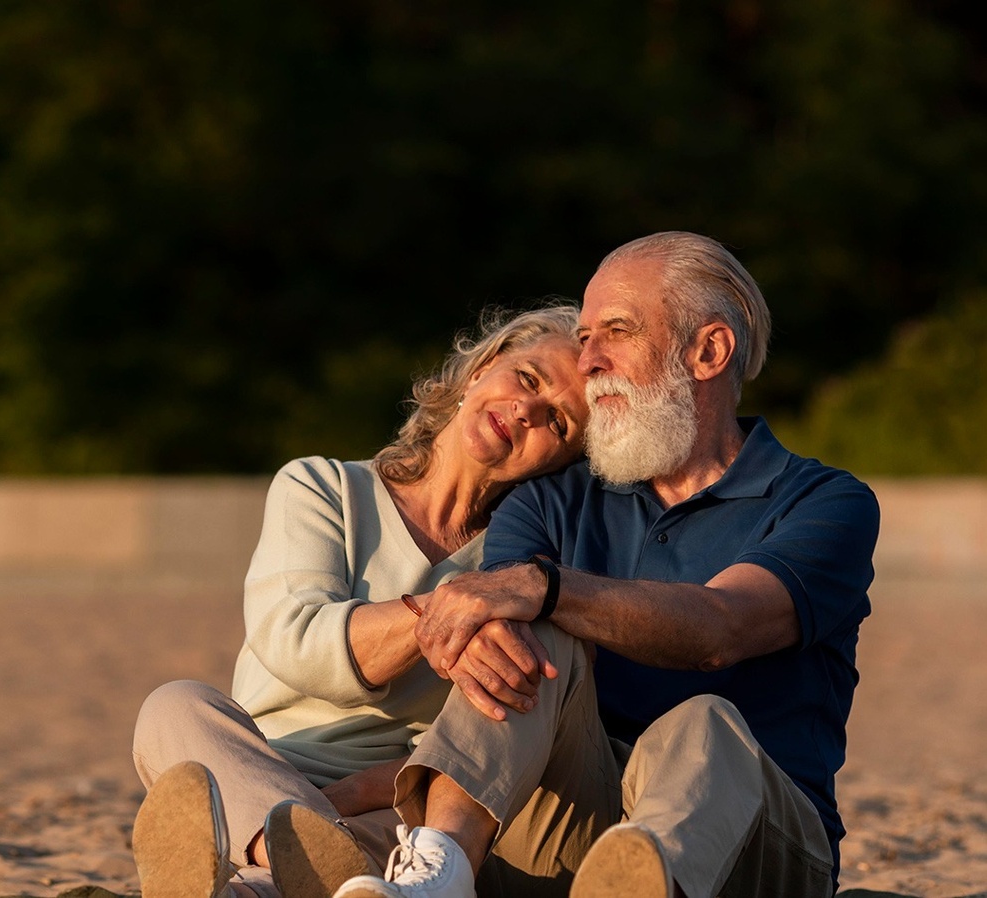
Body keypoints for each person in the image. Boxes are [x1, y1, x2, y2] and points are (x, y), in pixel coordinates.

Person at [323, 232, 880, 898]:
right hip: (578, 824)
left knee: (701, 722)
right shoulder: (551, 499)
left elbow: (721, 627)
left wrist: (547, 588)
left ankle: (648, 876)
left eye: (615, 331)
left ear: (708, 351)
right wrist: (526, 604)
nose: (588, 362)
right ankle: (438, 872)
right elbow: (497, 638)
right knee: (529, 628)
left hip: (758, 843)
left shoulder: (824, 503)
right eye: (584, 337)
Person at [129, 303, 592, 898]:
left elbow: (492, 739)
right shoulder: (323, 486)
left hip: (396, 799)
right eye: (527, 378)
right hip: (263, 762)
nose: (527, 410)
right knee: (173, 706)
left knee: (378, 855)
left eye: (557, 421)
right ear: (481, 368)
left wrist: (352, 795)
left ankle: (259, 870)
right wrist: (446, 608)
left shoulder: (525, 566)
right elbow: (296, 640)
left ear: (563, 461)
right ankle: (290, 851)